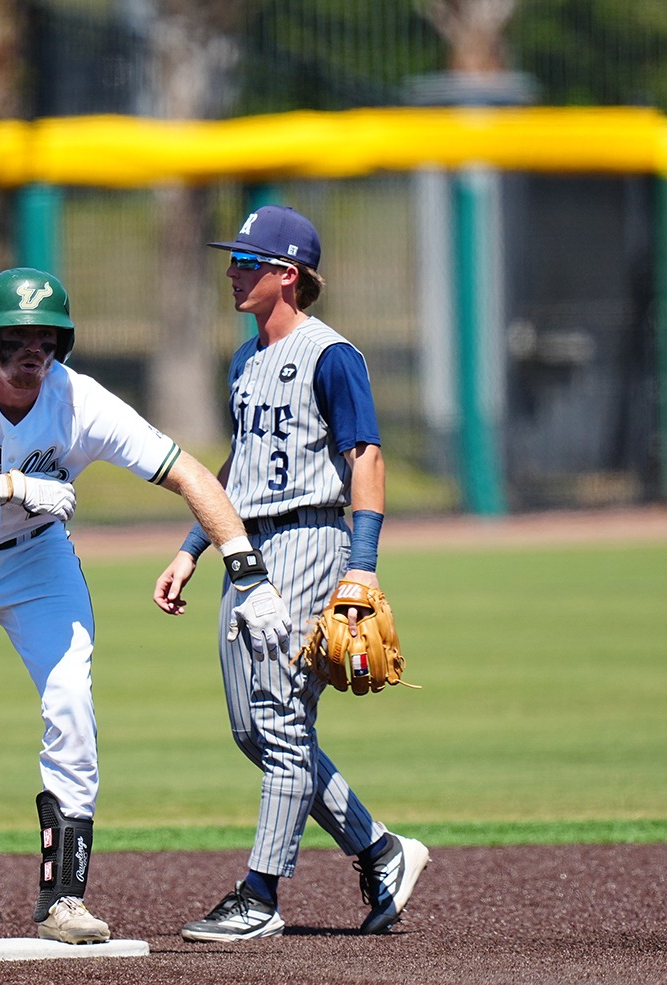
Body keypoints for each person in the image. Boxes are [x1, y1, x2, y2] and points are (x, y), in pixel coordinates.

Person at [0, 267, 296, 960]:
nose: (31, 350)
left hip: (35, 561)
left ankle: (64, 898)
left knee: (70, 701)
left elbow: (188, 472)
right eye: (16, 337)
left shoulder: (80, 402)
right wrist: (11, 483)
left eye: (45, 337)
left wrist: (246, 568)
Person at [153, 205, 429, 942]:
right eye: (233, 260)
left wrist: (362, 572)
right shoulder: (243, 360)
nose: (233, 271)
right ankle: (380, 850)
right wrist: (192, 546)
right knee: (254, 729)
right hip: (244, 548)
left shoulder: (332, 355)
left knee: (280, 723)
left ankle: (260, 893)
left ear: (288, 274)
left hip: (309, 540)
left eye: (247, 261)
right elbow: (234, 470)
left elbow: (364, 457)